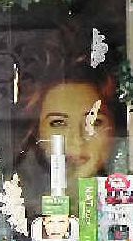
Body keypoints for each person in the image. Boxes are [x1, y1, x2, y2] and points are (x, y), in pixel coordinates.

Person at [13, 27, 126, 217]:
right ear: (37, 131)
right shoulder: (17, 201)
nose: (77, 139)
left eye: (94, 122)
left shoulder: (126, 203)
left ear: (114, 129)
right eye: (58, 123)